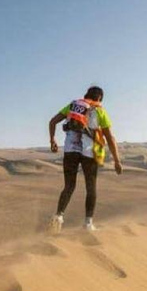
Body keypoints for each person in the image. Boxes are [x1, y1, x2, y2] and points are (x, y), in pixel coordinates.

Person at [48, 86, 123, 232]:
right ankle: (88, 224)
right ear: (100, 99)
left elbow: (52, 122)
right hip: (89, 153)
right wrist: (117, 160)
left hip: (70, 151)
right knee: (91, 187)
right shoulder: (100, 111)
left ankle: (58, 217)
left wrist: (52, 140)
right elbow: (109, 137)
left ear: (85, 95)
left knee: (69, 186)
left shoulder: (72, 106)